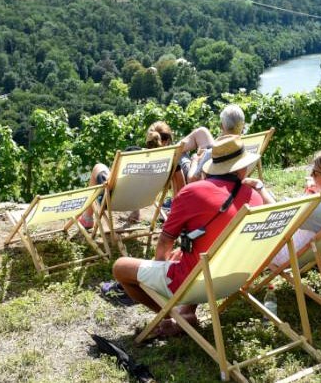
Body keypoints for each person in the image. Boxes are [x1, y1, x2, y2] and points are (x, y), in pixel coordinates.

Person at [112, 135, 267, 337]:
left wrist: (160, 268)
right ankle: (186, 314)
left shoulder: (193, 192)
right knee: (187, 252)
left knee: (121, 267)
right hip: (236, 277)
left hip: (199, 282)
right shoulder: (255, 197)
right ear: (242, 168)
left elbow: (166, 240)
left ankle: (172, 316)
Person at [79, 121, 189, 228]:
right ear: (167, 141)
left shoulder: (132, 152)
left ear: (148, 137)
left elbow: (111, 183)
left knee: (98, 167)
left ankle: (87, 218)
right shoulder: (172, 163)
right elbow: (182, 191)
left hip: (113, 202)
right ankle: (136, 212)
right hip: (145, 201)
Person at [178, 104, 245, 182]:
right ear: (243, 126)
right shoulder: (243, 150)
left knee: (178, 153)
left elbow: (192, 180)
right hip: (227, 178)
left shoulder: (211, 153)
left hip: (202, 183)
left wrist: (195, 160)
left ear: (221, 126)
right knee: (202, 132)